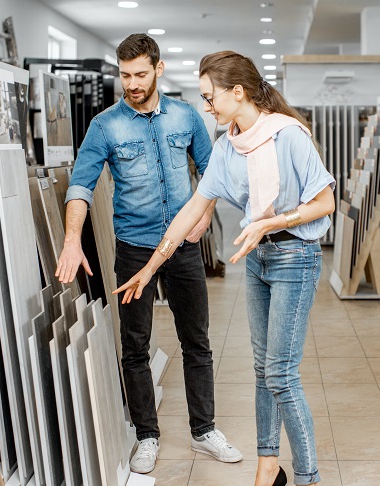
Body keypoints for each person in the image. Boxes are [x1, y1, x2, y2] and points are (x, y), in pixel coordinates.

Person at [114, 50, 335, 486]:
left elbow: (326, 202)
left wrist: (273, 221)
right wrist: (149, 269)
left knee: (281, 374)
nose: (206, 108)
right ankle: (268, 467)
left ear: (238, 93)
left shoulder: (289, 136)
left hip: (296, 256)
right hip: (259, 258)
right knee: (261, 368)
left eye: (210, 97)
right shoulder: (226, 147)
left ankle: (309, 478)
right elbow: (189, 211)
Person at [56, 34, 242, 475]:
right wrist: (70, 240)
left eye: (141, 74)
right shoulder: (105, 125)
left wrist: (204, 215)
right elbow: (80, 186)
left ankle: (204, 429)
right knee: (134, 346)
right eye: (125, 75)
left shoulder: (187, 116)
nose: (132, 83)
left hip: (182, 248)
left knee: (196, 341)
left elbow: (212, 171)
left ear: (158, 69)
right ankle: (147, 435)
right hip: (134, 250)